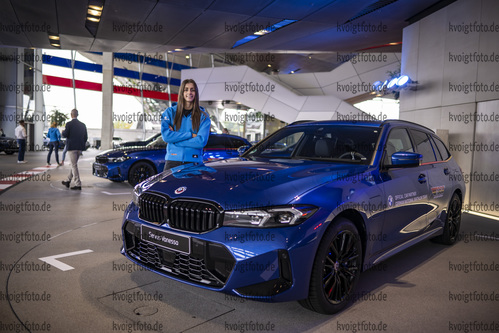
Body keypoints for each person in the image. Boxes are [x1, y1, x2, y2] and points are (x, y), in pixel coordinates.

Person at [161, 79, 210, 171]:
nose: (189, 92)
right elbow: (166, 137)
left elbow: (201, 141)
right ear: (182, 92)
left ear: (196, 93)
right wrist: (190, 135)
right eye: (186, 89)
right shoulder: (170, 113)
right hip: (172, 161)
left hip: (194, 162)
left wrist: (175, 141)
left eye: (192, 90)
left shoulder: (203, 116)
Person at [61, 109, 87, 190]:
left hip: (72, 147)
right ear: (77, 114)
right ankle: (68, 180)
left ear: (71, 115)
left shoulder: (69, 124)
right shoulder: (83, 125)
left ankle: (78, 184)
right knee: (73, 164)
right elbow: (85, 137)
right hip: (79, 148)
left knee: (74, 165)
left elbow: (65, 135)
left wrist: (62, 132)